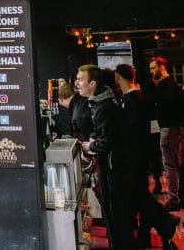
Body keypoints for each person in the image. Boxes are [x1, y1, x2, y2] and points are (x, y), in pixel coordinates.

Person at [114, 64, 177, 249]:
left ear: (118, 77)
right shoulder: (133, 97)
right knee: (140, 196)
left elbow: (133, 132)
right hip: (137, 156)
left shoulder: (134, 99)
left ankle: (164, 223)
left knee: (140, 196)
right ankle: (157, 228)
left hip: (136, 157)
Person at [77, 65, 134, 250]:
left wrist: (91, 145)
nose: (77, 83)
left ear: (92, 84)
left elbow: (107, 141)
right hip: (115, 166)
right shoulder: (102, 101)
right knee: (116, 214)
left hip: (115, 168)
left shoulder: (104, 106)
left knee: (118, 215)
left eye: (80, 79)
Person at [149, 56, 182, 211]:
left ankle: (175, 198)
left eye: (153, 68)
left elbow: (169, 104)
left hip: (169, 128)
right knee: (172, 163)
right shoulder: (165, 85)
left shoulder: (167, 85)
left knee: (169, 164)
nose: (151, 71)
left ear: (161, 67)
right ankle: (178, 195)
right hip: (168, 127)